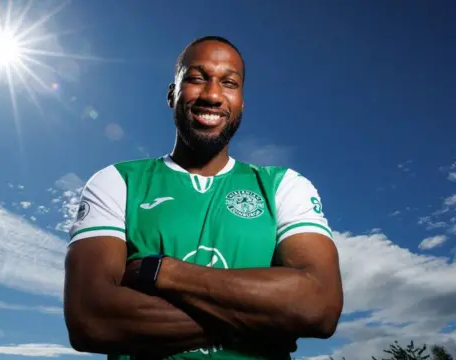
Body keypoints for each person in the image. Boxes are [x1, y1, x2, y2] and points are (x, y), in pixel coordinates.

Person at [63, 35, 343, 360]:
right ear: (172, 94)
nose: (212, 95)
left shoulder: (286, 186)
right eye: (196, 79)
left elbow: (319, 307)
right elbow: (90, 320)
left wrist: (163, 272)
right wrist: (267, 319)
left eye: (229, 83)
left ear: (241, 101)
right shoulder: (116, 182)